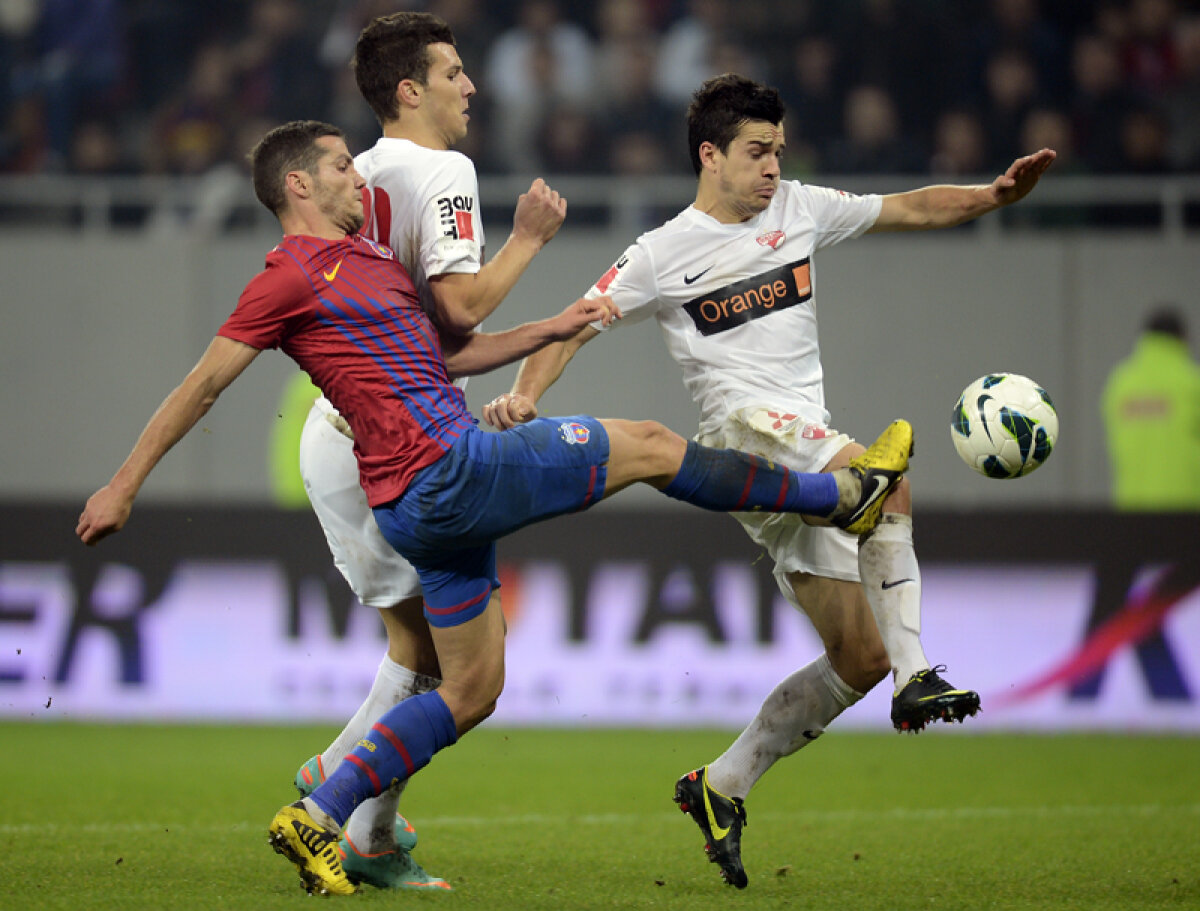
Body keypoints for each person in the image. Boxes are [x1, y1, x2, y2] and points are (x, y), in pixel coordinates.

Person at [76, 119, 913, 896]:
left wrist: (556, 325)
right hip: (451, 468)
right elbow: (203, 384)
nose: (353, 174)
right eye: (339, 165)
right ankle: (841, 493)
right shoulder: (287, 276)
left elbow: (458, 349)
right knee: (653, 446)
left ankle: (317, 815)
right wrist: (123, 484)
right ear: (297, 184)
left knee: (472, 688)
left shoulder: (371, 261)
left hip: (418, 507)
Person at [484, 74, 1057, 889]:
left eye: (779, 152)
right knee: (879, 469)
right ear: (709, 155)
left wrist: (994, 195)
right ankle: (919, 671)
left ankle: (722, 783)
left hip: (802, 454)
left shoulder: (799, 209)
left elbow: (912, 207)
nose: (773, 169)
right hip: (744, 438)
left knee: (856, 655)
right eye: (757, 153)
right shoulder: (661, 252)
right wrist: (525, 394)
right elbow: (575, 324)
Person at [284, 11, 576, 890]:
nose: (470, 87)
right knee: (445, 664)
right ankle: (352, 812)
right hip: (390, 444)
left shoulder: (356, 173)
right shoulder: (443, 169)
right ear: (410, 90)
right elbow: (456, 314)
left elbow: (417, 334)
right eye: (454, 73)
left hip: (338, 433)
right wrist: (528, 237)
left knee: (416, 645)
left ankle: (350, 799)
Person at [1102, 306, 1200, 510]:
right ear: (1183, 338)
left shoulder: (1120, 384)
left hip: (1131, 508)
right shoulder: (1191, 383)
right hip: (1186, 510)